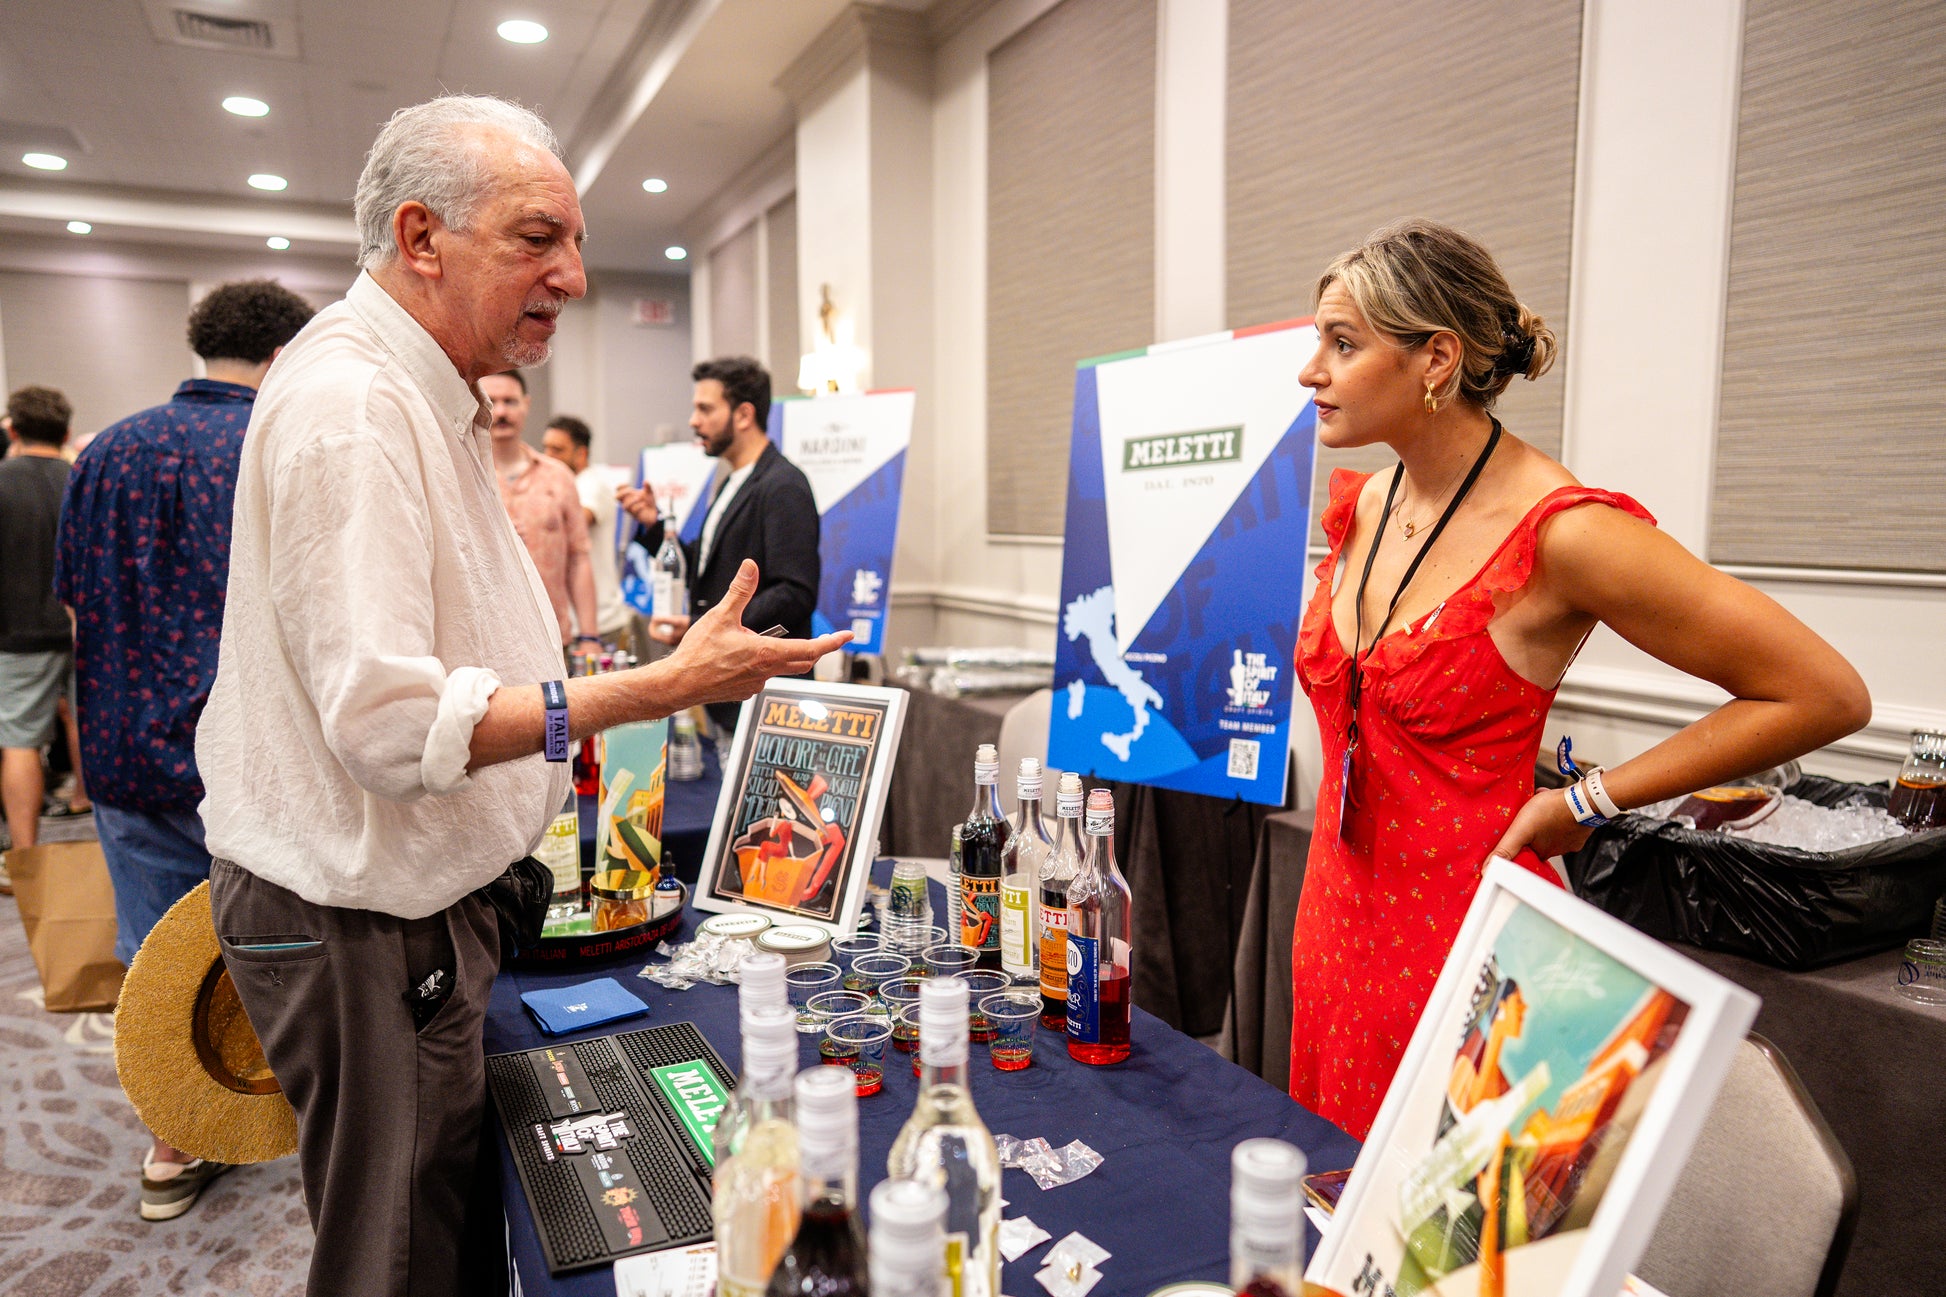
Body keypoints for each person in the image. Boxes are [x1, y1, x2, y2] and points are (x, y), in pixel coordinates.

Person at [193, 95, 847, 1297]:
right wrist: (650, 689)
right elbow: (392, 725)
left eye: (576, 244)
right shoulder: (356, 408)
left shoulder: (416, 392)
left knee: (436, 1236)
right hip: (363, 926)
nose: (574, 278)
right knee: (395, 1259)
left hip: (399, 918)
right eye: (537, 239)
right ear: (421, 237)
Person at [1289, 219, 1869, 1140]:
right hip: (1334, 928)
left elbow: (1823, 693)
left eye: (1342, 343)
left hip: (1474, 954)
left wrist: (1586, 801)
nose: (1309, 370)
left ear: (1436, 356)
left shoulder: (1563, 533)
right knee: (1329, 1198)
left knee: (1445, 1220)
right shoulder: (1366, 505)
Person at [54, 277, 316, 1219]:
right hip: (246, 749)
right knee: (282, 942)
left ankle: (173, 1142)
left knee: (153, 951)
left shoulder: (105, 452)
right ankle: (294, 1110)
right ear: (284, 356)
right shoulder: (276, 442)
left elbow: (75, 604)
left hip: (122, 739)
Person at [616, 355, 820, 731]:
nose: (694, 421)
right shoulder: (733, 481)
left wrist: (705, 627)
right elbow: (707, 565)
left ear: (743, 415)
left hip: (766, 699)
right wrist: (653, 525)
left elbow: (795, 593)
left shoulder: (784, 485)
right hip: (731, 694)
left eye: (705, 409)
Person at [0, 386, 75, 883]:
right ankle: (96, 833)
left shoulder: (1, 481)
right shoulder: (83, 478)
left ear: (12, 429)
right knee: (87, 726)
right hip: (88, 631)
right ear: (66, 432)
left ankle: (23, 861)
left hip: (19, 633)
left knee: (20, 740)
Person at [481, 368, 602, 660]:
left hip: (552, 638)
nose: (501, 412)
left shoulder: (559, 476)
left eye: (510, 401)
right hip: (487, 642)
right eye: (492, 401)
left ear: (526, 404)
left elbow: (579, 558)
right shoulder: (464, 474)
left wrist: (589, 636)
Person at [542, 413, 634, 651]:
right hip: (570, 625)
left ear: (581, 454)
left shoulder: (592, 485)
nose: (547, 457)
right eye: (546, 448)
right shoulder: (560, 488)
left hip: (601, 625)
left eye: (557, 450)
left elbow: (575, 521)